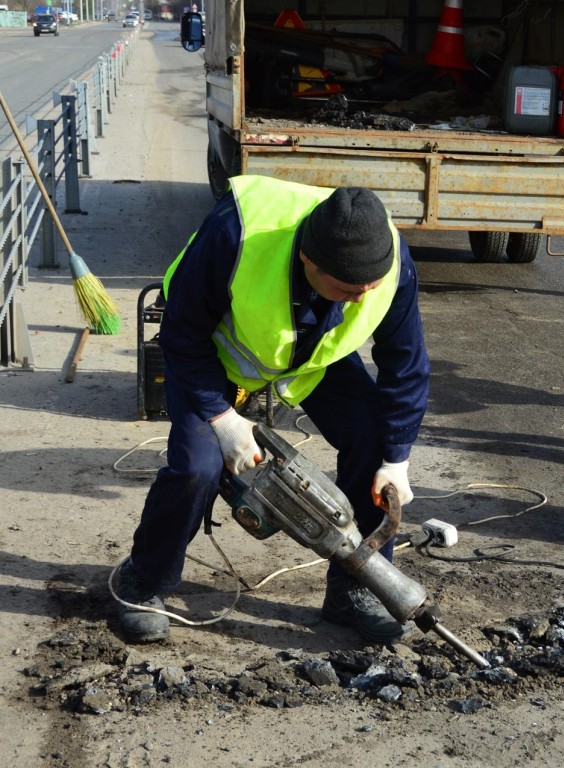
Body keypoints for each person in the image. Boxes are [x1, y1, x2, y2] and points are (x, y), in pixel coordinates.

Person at [114, 176, 430, 644]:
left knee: (372, 434)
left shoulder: (386, 257)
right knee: (198, 468)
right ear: (308, 259)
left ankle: (353, 589)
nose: (364, 297)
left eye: (371, 285)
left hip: (308, 357)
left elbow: (405, 363)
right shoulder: (235, 231)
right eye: (348, 288)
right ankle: (143, 580)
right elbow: (181, 332)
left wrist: (396, 459)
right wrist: (223, 420)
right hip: (217, 347)